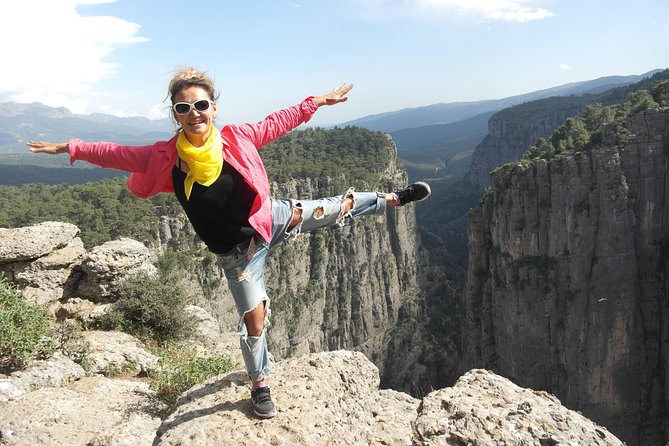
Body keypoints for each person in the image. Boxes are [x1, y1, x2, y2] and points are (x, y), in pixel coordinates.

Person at [27, 67, 431, 419]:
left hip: (269, 219)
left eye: (200, 105)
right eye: (183, 108)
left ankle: (392, 198)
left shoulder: (238, 137)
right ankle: (260, 383)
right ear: (175, 115)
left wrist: (316, 102)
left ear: (213, 108)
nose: (194, 114)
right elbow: (114, 152)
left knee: (331, 207)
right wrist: (71, 148)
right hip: (239, 257)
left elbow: (280, 120)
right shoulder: (164, 158)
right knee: (254, 321)